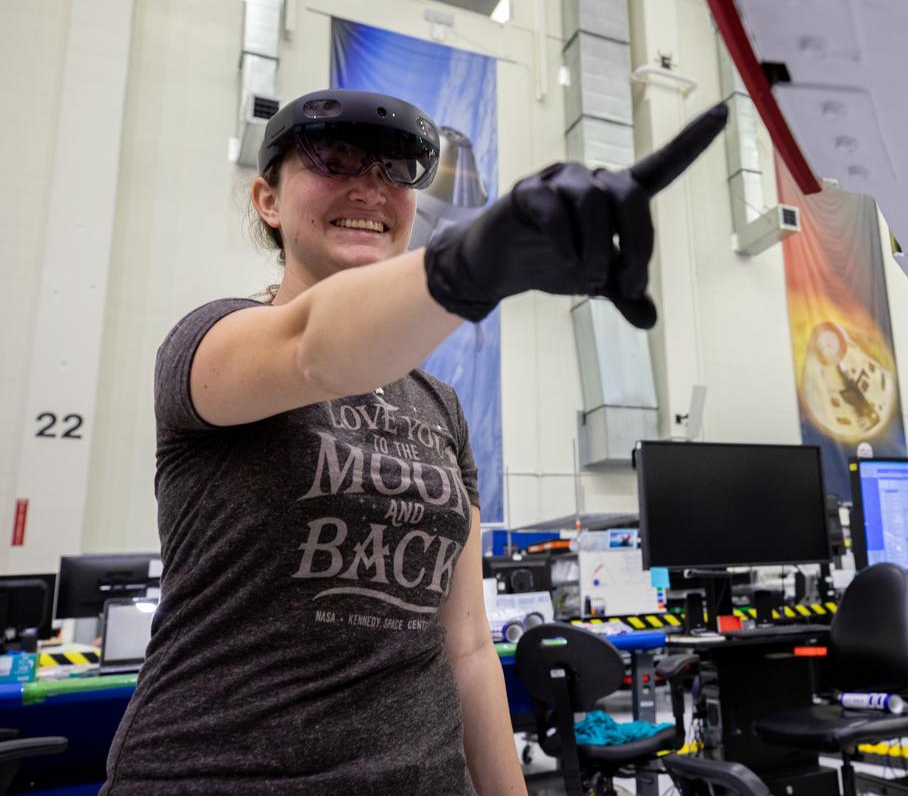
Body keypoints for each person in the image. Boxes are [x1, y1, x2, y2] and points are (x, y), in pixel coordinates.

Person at [101, 89, 727, 793]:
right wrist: (469, 265)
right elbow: (314, 347)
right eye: (334, 157)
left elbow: (465, 646)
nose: (371, 185)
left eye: (398, 169)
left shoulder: (441, 407)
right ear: (267, 200)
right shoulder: (210, 344)